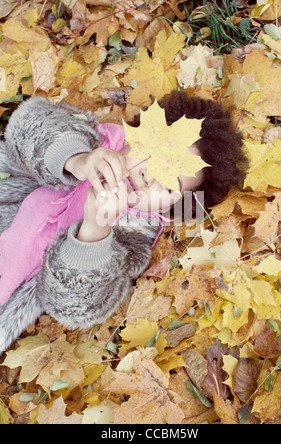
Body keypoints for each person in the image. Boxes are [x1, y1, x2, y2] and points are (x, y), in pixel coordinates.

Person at [0, 90, 247, 354]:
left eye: (167, 184)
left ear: (169, 208)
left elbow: (74, 307)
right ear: (136, 135)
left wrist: (95, 232)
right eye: (150, 154)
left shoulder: (133, 237)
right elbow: (30, 124)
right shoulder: (94, 139)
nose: (147, 175)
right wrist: (76, 159)